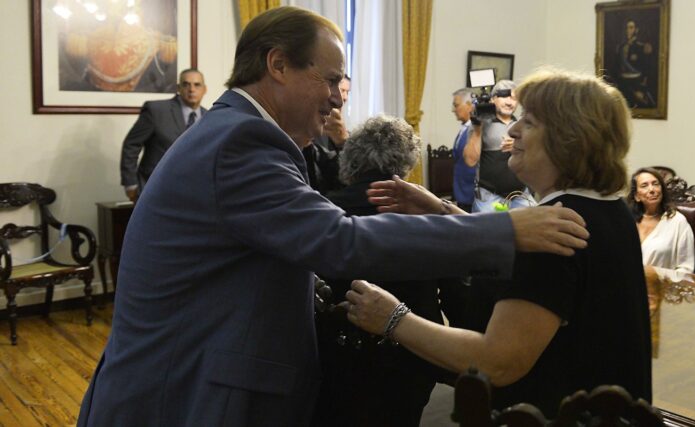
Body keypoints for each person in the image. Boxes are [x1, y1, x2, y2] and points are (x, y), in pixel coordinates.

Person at [77, 7, 588, 427]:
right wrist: (503, 229)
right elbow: (339, 240)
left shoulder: (234, 132)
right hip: (187, 394)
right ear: (278, 64)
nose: (338, 96)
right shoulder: (242, 142)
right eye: (331, 79)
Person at [344, 68, 652, 416]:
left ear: (569, 139)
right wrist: (442, 209)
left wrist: (393, 318)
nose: (513, 129)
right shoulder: (606, 208)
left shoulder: (549, 233)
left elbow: (498, 361)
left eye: (530, 122)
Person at [313, 115, 442, 426]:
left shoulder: (320, 211)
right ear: (407, 164)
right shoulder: (426, 217)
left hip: (334, 358)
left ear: (350, 161)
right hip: (409, 356)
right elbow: (453, 294)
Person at [119, 68, 207, 202]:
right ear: (178, 88)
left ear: (204, 89)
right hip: (156, 191)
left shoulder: (210, 117)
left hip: (195, 193)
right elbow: (131, 144)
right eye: (186, 84)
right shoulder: (156, 111)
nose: (191, 89)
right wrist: (130, 184)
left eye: (197, 85)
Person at [627, 167, 695, 311]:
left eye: (656, 184)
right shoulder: (626, 221)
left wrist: (660, 278)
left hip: (663, 294)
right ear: (636, 196)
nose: (652, 189)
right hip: (628, 291)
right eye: (644, 186)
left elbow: (686, 268)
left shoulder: (677, 222)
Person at [464, 80, 534, 212]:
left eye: (514, 98)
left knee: (536, 228)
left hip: (521, 195)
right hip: (490, 196)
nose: (509, 102)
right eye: (504, 96)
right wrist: (478, 130)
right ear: (492, 99)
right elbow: (470, 161)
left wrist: (518, 146)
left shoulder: (523, 124)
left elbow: (537, 157)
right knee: (488, 232)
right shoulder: (480, 123)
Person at [303, 74, 351, 196]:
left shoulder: (347, 136)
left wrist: (343, 141)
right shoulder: (304, 129)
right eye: (342, 90)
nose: (344, 98)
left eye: (347, 92)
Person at [614, 19, 655, 109]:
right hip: (623, 83)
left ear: (636, 30)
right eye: (627, 28)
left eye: (631, 27)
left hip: (636, 83)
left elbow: (647, 68)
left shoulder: (641, 47)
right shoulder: (620, 47)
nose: (628, 30)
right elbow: (617, 67)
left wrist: (642, 86)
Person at [451, 88, 478, 212]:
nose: (453, 110)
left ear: (469, 105)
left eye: (456, 105)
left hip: (473, 194)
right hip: (461, 192)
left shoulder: (477, 130)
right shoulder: (464, 128)